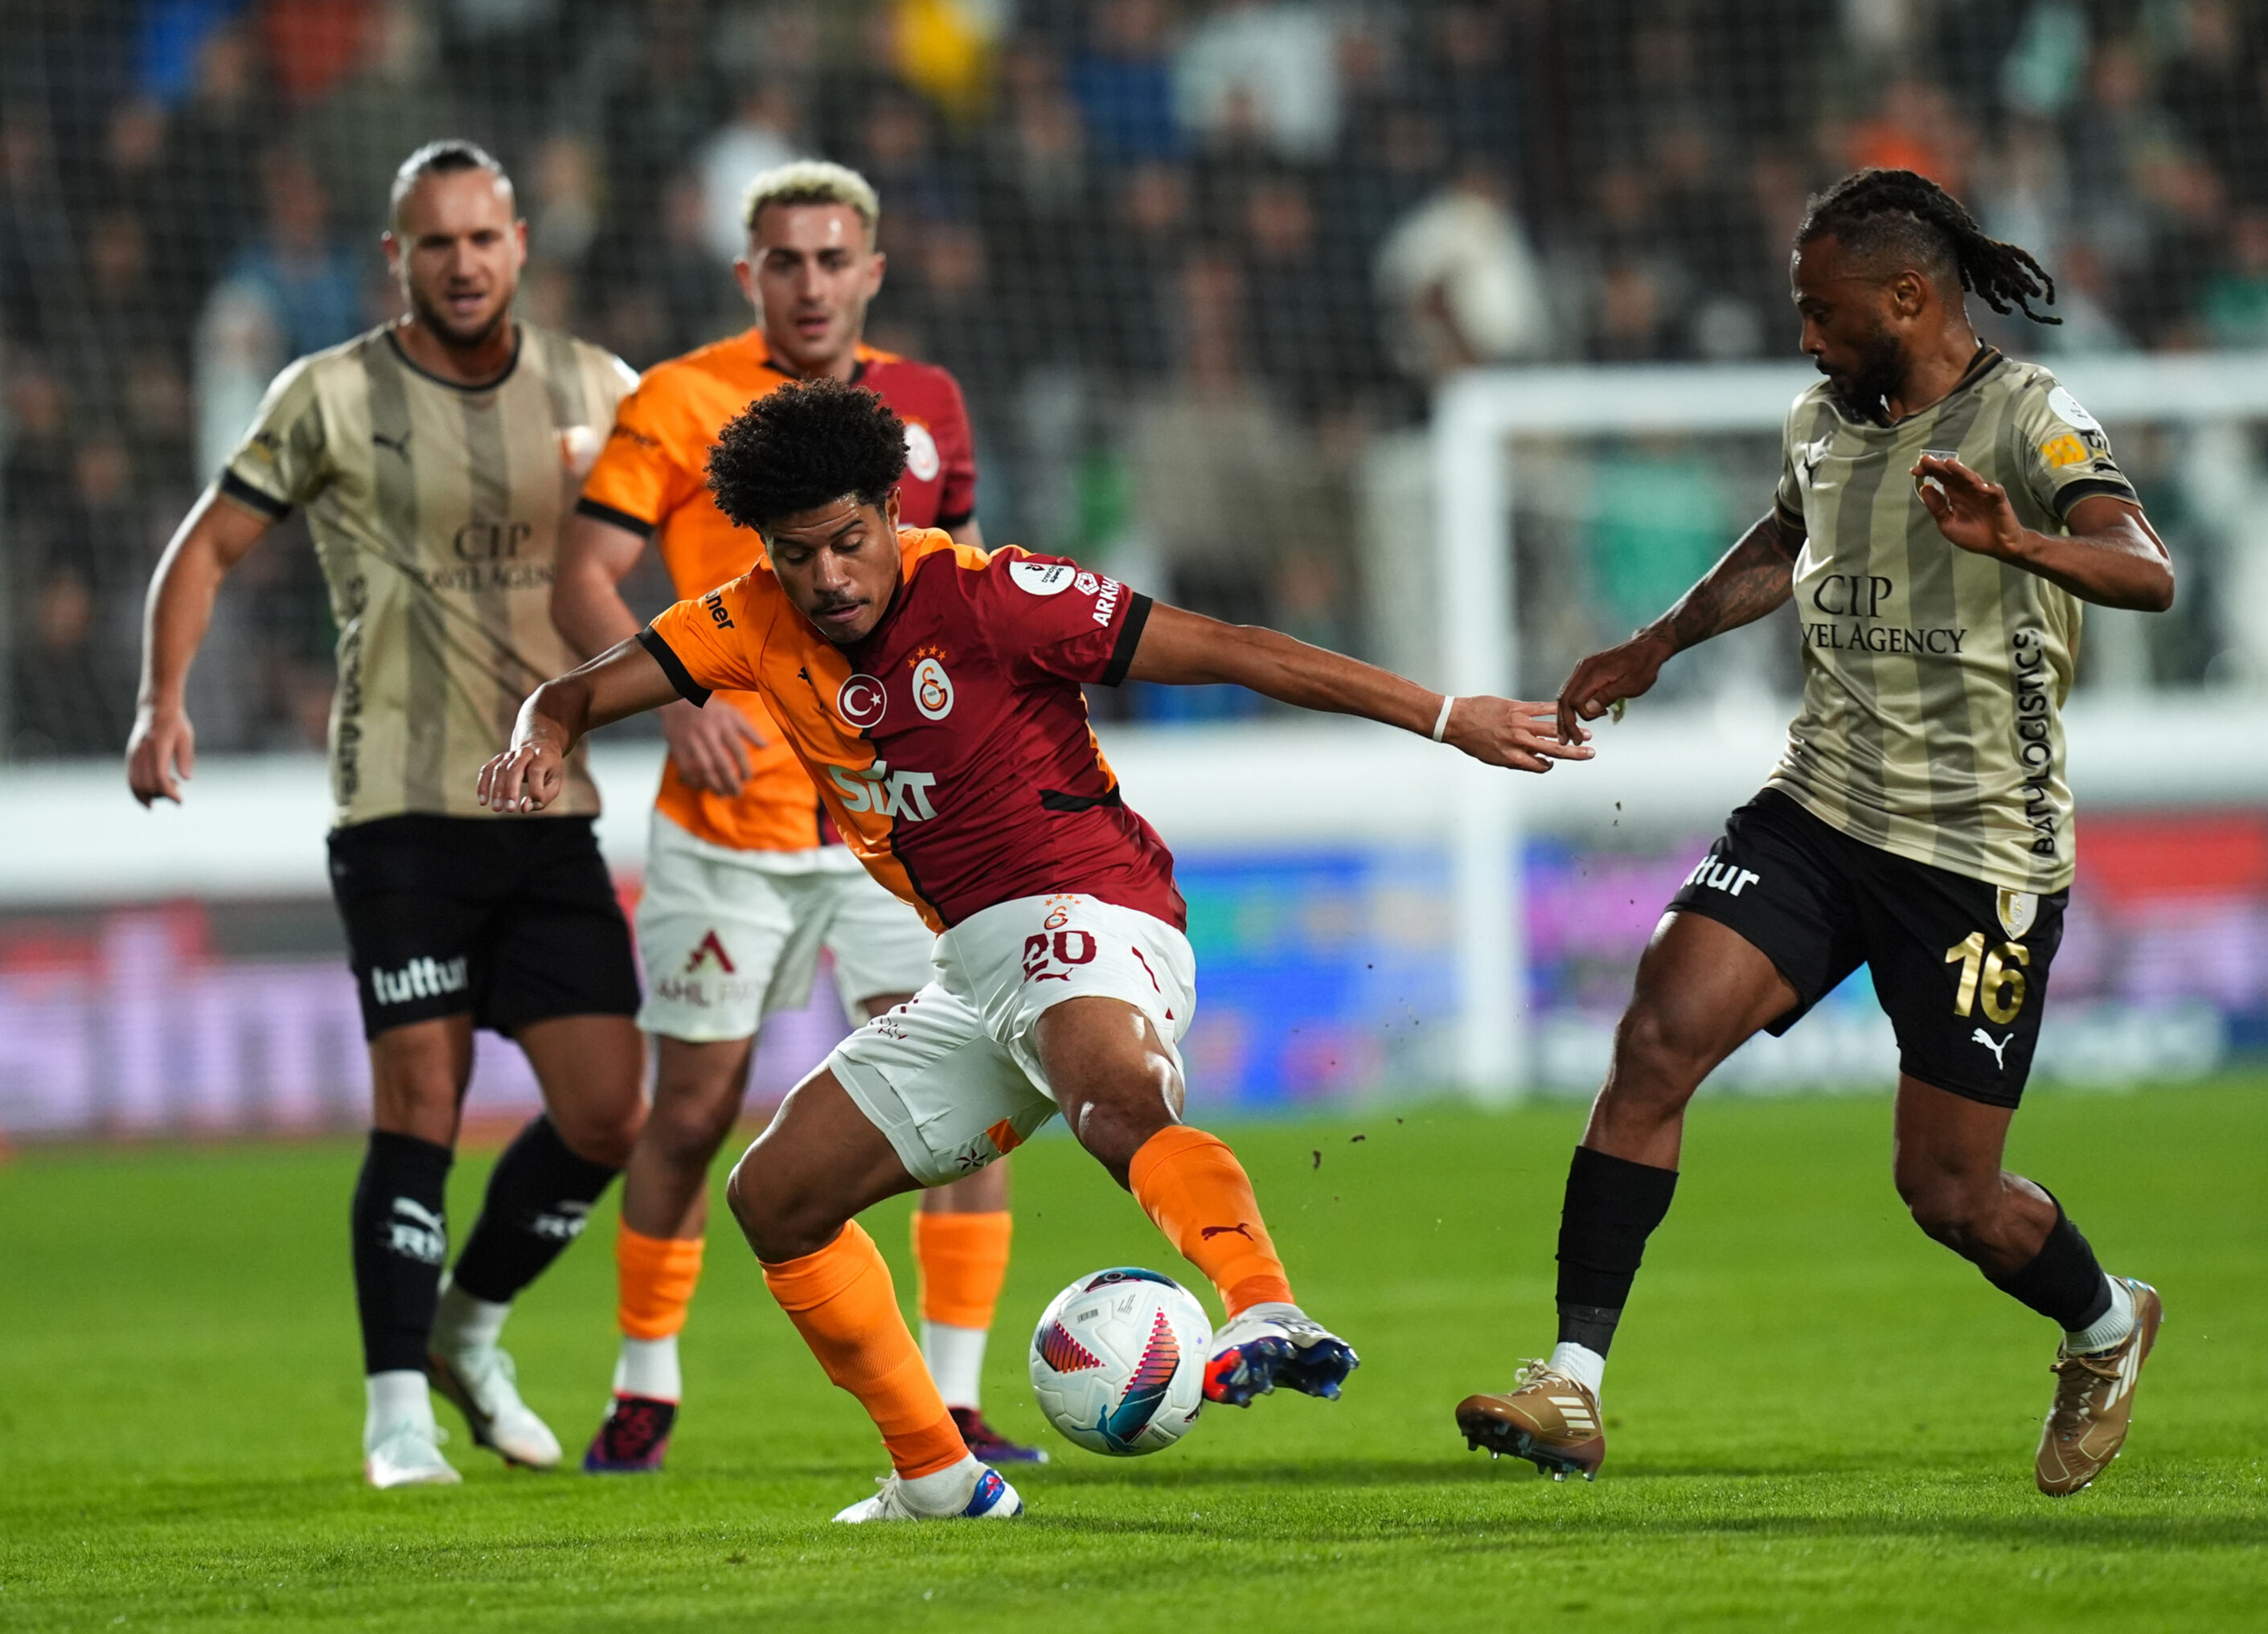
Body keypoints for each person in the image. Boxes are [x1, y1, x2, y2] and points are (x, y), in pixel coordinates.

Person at [478, 378, 1592, 1521]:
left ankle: (1264, 1302)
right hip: (974, 970)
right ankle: (936, 1474)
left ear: (892, 507)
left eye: (850, 541)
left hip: (1094, 909)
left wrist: (1448, 714)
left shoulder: (994, 595)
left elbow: (1233, 647)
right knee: (775, 1196)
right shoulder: (747, 616)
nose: (829, 578)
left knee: (1113, 1100)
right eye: (797, 553)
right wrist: (540, 736)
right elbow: (571, 692)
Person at [1454, 170, 2175, 1497]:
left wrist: (2017, 540)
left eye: (1822, 311)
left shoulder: (2031, 419)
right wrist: (1657, 642)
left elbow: (2147, 568)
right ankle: (1571, 1383)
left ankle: (2105, 1323)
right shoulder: (1823, 420)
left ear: (1909, 296)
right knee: (1656, 1035)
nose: (1806, 337)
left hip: (1980, 854)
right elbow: (1784, 536)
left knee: (1951, 1193)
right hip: (1821, 807)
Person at [127, 141, 646, 1489]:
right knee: (421, 1092)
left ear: (521, 243)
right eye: (436, 244)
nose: (462, 263)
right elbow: (208, 545)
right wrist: (159, 700)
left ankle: (472, 1333)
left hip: (551, 802)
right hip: (398, 807)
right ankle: (396, 1409)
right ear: (395, 257)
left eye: (483, 239)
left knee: (608, 1112)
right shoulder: (329, 394)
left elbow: (704, 525)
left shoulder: (603, 389)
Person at [555, 159, 1042, 1473]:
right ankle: (644, 1381)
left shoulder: (927, 403)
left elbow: (971, 588)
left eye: (835, 260)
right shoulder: (678, 400)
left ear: (873, 271)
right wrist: (671, 707)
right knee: (697, 1105)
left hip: (901, 825)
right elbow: (583, 576)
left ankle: (958, 1393)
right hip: (731, 821)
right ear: (748, 275)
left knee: (956, 1098)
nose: (811, 283)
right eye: (786, 261)